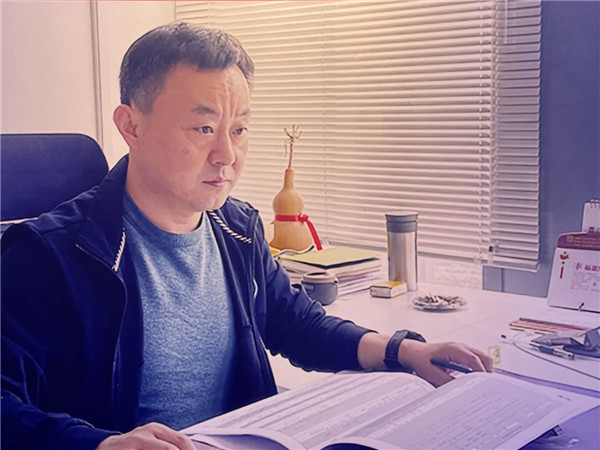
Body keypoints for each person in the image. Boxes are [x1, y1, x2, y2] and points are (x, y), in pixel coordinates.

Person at [1, 23, 492, 450]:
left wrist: (404, 351)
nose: (227, 155)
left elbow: (296, 324)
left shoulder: (236, 228)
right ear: (131, 126)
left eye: (238, 130)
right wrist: (100, 443)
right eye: (203, 128)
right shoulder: (45, 256)